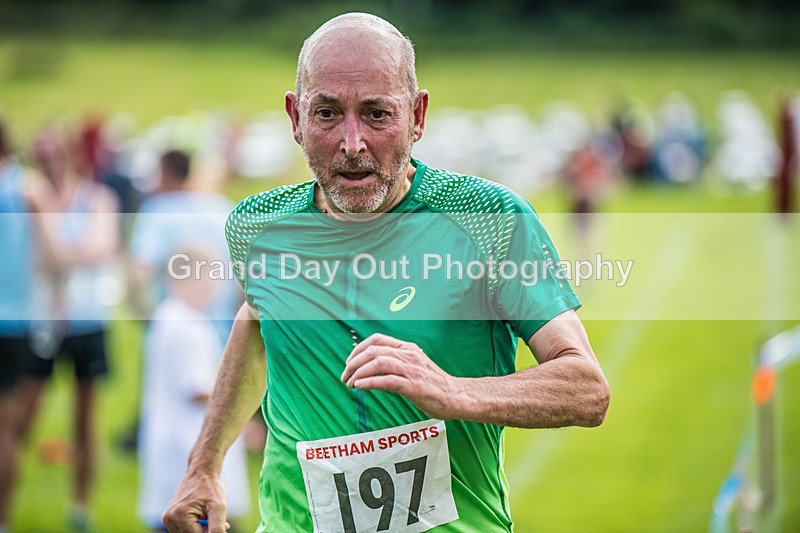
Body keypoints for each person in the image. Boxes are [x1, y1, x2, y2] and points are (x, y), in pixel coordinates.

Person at [164, 13, 610, 533]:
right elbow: (260, 322)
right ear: (295, 118)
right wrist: (204, 465)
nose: (352, 144)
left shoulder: (486, 220)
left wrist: (452, 392)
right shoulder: (258, 227)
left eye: (377, 115)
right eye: (327, 113)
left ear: (417, 116)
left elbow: (586, 388)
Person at [16, 127, 121, 532]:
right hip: (40, 320)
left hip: (86, 318)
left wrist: (60, 254)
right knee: (21, 414)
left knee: (85, 418)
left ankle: (80, 507)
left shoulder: (94, 198)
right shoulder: (31, 197)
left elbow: (102, 246)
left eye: (53, 152)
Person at [138, 249, 250, 532]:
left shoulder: (172, 318)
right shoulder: (183, 324)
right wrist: (244, 397)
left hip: (179, 440)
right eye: (208, 280)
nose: (214, 289)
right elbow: (198, 388)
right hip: (185, 443)